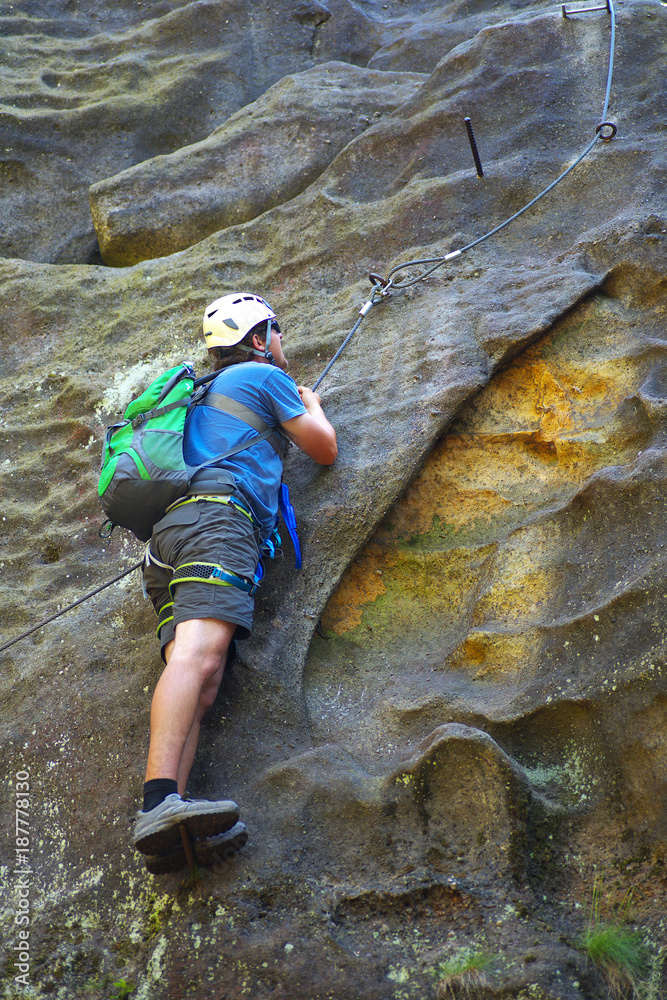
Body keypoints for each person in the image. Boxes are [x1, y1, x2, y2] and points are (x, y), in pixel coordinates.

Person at [133, 292, 337, 874]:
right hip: (218, 524)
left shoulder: (201, 395)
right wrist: (312, 404)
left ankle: (171, 821)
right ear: (255, 338)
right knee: (200, 659)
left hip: (167, 542)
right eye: (275, 330)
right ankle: (157, 802)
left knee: (200, 676)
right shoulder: (261, 375)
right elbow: (324, 450)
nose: (281, 342)